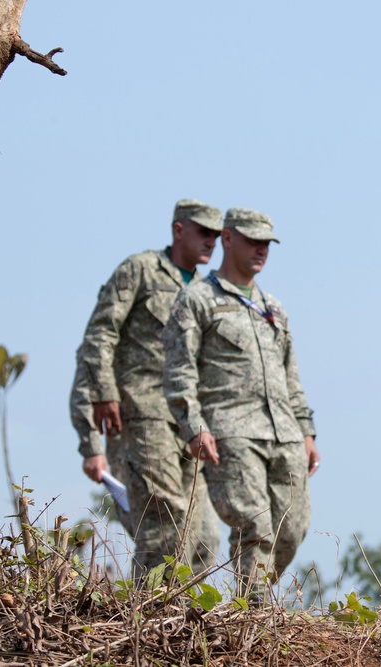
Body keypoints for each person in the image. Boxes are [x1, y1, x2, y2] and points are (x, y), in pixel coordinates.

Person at [163, 208, 320, 600]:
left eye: (266, 243)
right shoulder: (197, 299)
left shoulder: (274, 309)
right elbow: (179, 371)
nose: (261, 250)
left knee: (292, 527)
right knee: (255, 525)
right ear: (228, 239)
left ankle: (254, 599)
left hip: (283, 433)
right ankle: (255, 617)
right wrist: (193, 425)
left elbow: (291, 376)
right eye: (252, 240)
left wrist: (306, 431)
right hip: (232, 432)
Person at [70, 199, 223, 578]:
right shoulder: (139, 270)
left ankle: (186, 629)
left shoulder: (207, 292)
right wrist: (103, 399)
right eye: (204, 232)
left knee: (203, 539)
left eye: (217, 236)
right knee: (165, 528)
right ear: (178, 230)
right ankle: (149, 622)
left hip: (188, 425)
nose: (211, 242)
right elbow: (98, 338)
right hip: (142, 415)